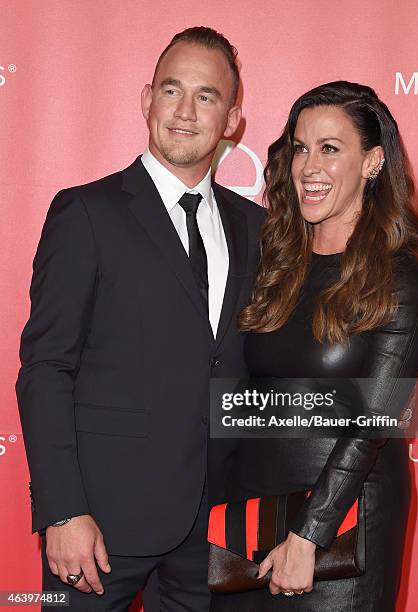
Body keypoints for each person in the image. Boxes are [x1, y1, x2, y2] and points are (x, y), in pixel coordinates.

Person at [16, 26, 264, 611]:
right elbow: (46, 368)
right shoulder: (86, 212)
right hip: (98, 527)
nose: (185, 111)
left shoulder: (256, 229)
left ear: (232, 119)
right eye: (172, 90)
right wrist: (63, 511)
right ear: (146, 98)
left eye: (207, 96)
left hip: (212, 528)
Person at [210, 81, 418, 611]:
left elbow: (371, 424)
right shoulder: (276, 261)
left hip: (343, 524)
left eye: (330, 149)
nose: (309, 166)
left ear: (373, 162)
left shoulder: (397, 277)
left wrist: (310, 534)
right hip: (249, 514)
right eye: (301, 148)